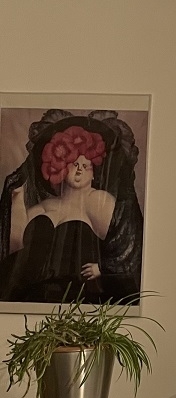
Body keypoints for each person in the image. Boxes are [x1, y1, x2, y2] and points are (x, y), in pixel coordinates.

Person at [0, 110, 144, 303]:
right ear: (61, 165)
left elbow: (124, 251)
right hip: (34, 301)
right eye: (74, 164)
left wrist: (102, 269)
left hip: (83, 301)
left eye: (86, 166)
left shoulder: (101, 201)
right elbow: (15, 252)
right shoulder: (42, 207)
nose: (79, 171)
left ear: (94, 173)